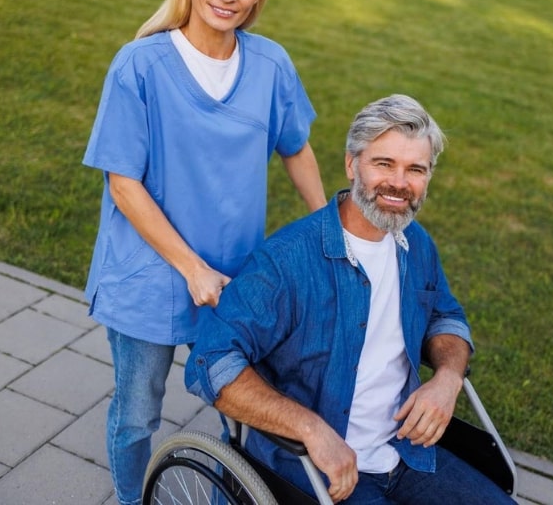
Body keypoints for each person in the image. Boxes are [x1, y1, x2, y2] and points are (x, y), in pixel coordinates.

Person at [81, 0, 327, 505]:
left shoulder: (270, 65)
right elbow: (123, 186)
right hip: (151, 280)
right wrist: (190, 267)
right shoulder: (138, 66)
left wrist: (331, 231)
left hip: (236, 280)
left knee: (241, 415)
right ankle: (130, 497)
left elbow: (295, 148)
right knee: (138, 411)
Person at [186, 95, 515, 504]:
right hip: (318, 469)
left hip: (406, 453)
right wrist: (311, 428)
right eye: (384, 164)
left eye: (415, 169)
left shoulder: (416, 244)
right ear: (351, 164)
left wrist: (448, 379)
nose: (399, 183)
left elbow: (445, 316)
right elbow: (210, 362)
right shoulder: (286, 261)